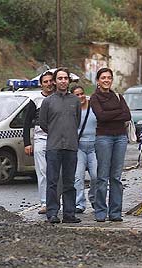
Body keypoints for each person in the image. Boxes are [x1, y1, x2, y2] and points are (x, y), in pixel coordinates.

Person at [39, 67, 81, 224]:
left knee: (70, 181)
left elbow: (76, 120)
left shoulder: (75, 101)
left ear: (69, 81)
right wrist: (56, 133)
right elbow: (43, 123)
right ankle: (52, 213)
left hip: (71, 146)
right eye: (60, 78)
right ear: (55, 81)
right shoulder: (48, 102)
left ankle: (69, 213)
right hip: (54, 146)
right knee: (52, 181)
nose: (63, 81)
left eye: (65, 78)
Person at [90, 67, 131, 222]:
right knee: (102, 177)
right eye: (103, 78)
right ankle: (100, 212)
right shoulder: (95, 98)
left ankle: (115, 213)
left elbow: (127, 115)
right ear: (98, 81)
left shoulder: (118, 96)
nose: (106, 80)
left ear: (111, 80)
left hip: (121, 137)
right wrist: (117, 113)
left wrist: (110, 114)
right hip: (103, 138)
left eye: (109, 77)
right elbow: (101, 116)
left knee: (116, 177)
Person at [23, 71, 54, 214]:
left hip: (56, 139)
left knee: (56, 172)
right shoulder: (35, 100)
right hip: (40, 139)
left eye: (50, 81)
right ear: (41, 84)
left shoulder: (58, 98)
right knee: (42, 171)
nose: (48, 84)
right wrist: (27, 143)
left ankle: (56, 200)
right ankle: (44, 202)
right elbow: (26, 122)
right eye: (45, 82)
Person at [70, 85, 97, 214]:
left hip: (94, 146)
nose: (80, 97)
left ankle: (94, 198)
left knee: (96, 175)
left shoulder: (94, 107)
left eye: (82, 94)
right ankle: (79, 203)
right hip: (79, 146)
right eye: (77, 95)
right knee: (78, 176)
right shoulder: (72, 110)